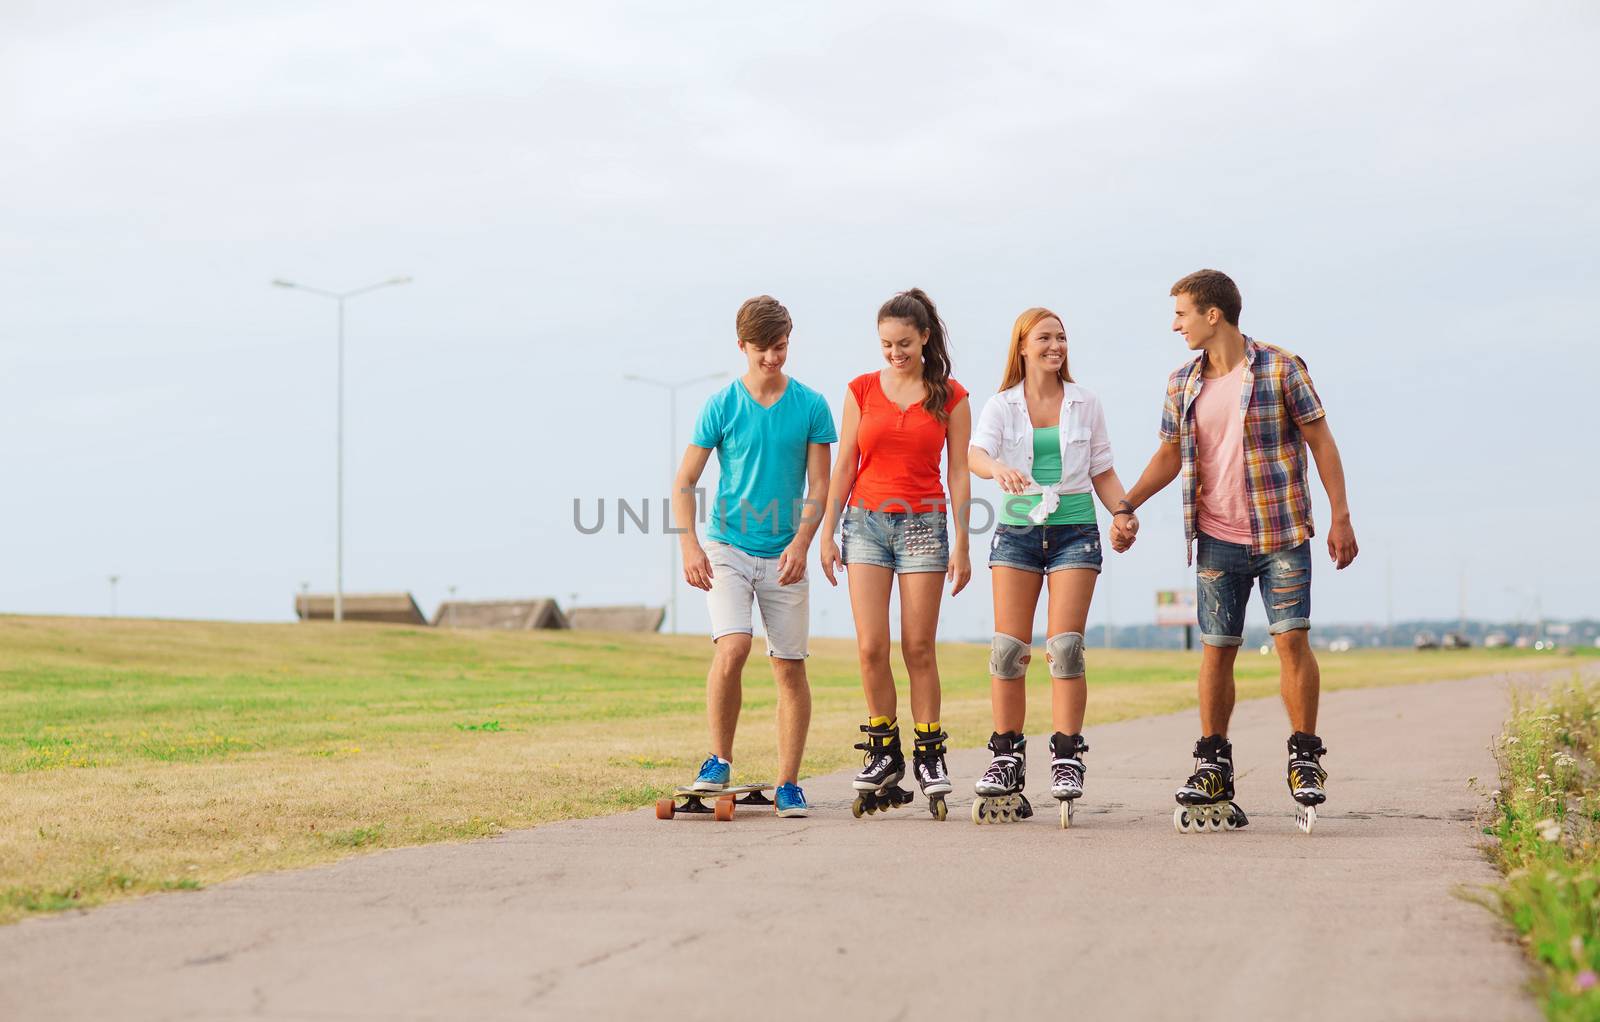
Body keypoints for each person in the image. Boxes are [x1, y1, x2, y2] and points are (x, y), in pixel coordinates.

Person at [1117, 269, 1358, 834]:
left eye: (1181, 313)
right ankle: (1213, 764)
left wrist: (1340, 515)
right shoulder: (1181, 382)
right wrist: (1126, 502)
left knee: (1291, 642)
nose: (1174, 324)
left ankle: (1304, 758)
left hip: (1280, 533)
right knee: (1216, 650)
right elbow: (1169, 455)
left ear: (1212, 315)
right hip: (1216, 537)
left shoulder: (1280, 366)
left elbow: (1322, 441)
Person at [966, 307, 1135, 827]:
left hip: (1075, 532)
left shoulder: (1086, 402)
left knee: (1064, 648)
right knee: (1008, 651)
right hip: (1016, 532)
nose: (1055, 345)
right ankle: (1007, 758)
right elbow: (975, 453)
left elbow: (1103, 469)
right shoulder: (1002, 404)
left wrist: (1123, 512)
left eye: (1061, 336)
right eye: (1045, 337)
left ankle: (1065, 756)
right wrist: (997, 468)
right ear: (1022, 346)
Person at [672, 295, 837, 818]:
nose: (772, 358)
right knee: (735, 647)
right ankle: (719, 759)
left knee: (789, 668)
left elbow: (820, 484)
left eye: (781, 346)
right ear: (741, 346)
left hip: (786, 552)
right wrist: (690, 545)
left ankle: (789, 783)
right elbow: (684, 482)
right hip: (727, 547)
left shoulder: (811, 405)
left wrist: (802, 544)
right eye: (762, 349)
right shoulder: (722, 405)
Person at [819, 289, 971, 821]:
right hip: (864, 523)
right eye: (886, 344)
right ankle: (883, 752)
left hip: (925, 526)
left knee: (918, 646)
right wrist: (826, 532)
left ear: (925, 338)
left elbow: (957, 473)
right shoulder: (861, 390)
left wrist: (964, 542)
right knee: (869, 646)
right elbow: (844, 466)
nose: (894, 354)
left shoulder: (950, 396)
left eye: (904, 343)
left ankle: (929, 755)